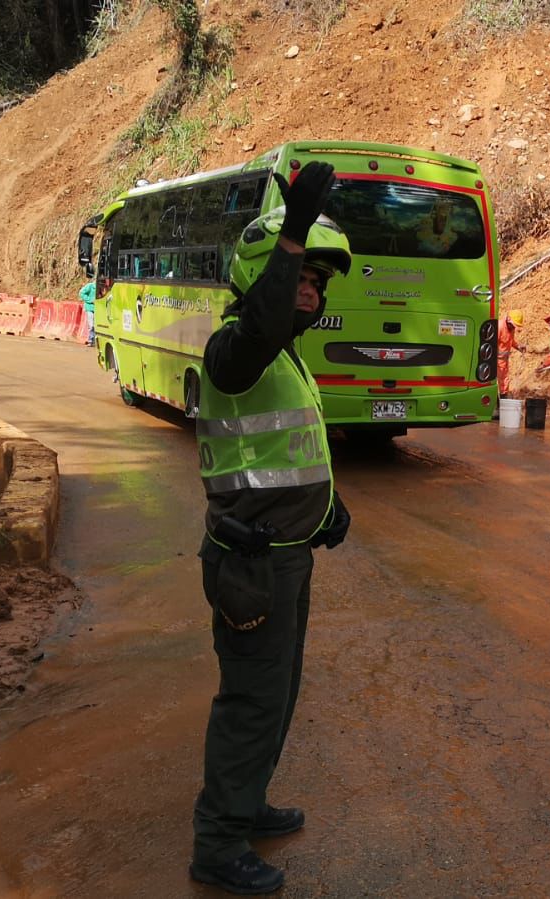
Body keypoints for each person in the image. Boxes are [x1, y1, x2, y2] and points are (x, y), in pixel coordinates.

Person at [189, 161, 353, 896]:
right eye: (302, 279)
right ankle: (218, 844)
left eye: (319, 282)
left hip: (286, 555)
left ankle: (246, 802)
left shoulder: (285, 357)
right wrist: (291, 234)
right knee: (252, 701)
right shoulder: (236, 351)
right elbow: (255, 329)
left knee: (278, 693)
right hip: (250, 562)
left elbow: (286, 451)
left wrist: (328, 508)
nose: (312, 293)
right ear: (264, 277)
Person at [496, 308, 526, 397]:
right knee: (495, 381)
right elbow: (492, 345)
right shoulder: (499, 327)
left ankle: (503, 398)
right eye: (513, 325)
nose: (514, 327)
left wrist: (518, 347)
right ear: (508, 319)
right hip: (495, 361)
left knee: (504, 381)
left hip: (503, 361)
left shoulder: (511, 328)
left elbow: (511, 340)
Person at [79, 279, 97, 346]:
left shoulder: (102, 287)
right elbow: (81, 293)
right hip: (90, 308)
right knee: (91, 325)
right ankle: (90, 340)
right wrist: (90, 300)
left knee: (97, 326)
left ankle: (95, 341)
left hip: (98, 309)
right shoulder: (90, 286)